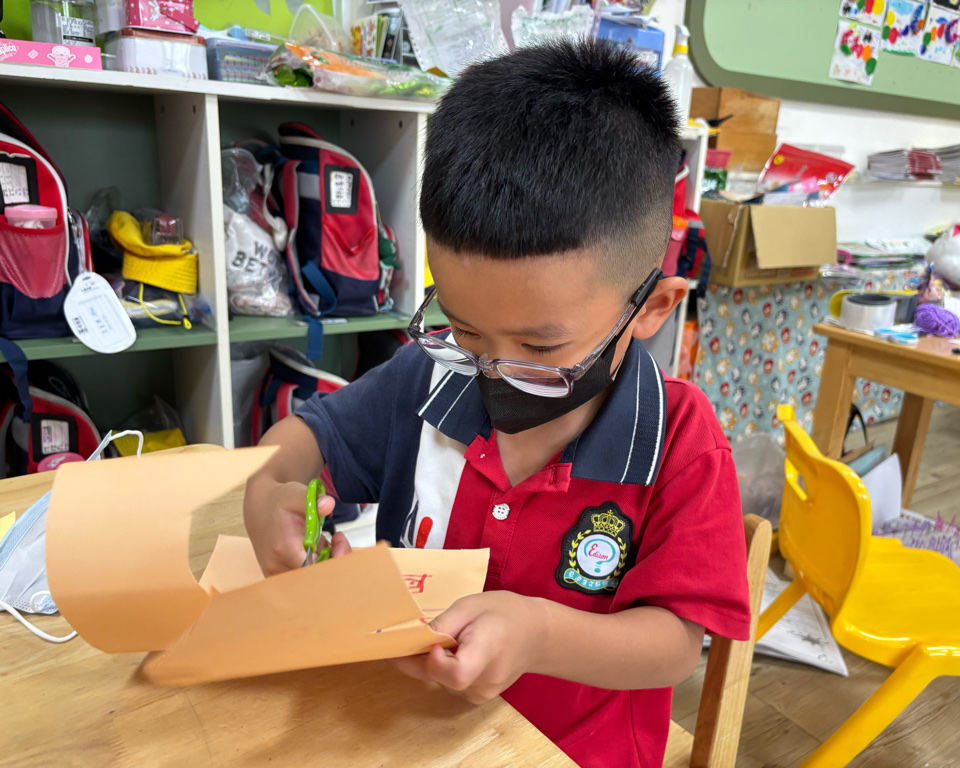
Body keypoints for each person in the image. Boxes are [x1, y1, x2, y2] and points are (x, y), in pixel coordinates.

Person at [244, 38, 750, 768]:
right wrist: (268, 492)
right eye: (464, 328)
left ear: (650, 309)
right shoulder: (427, 378)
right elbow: (302, 440)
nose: (492, 369)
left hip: (573, 752)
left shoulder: (679, 442)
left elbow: (674, 644)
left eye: (540, 347)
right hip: (402, 732)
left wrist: (540, 634)